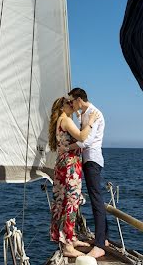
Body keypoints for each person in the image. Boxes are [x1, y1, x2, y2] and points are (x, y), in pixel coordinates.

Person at [49, 96, 100, 257]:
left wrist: (79, 114)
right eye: (68, 103)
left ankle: (70, 238)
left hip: (64, 164)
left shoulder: (63, 120)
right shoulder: (65, 120)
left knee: (65, 202)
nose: (72, 104)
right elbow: (82, 137)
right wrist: (90, 121)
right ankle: (67, 247)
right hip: (70, 166)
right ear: (62, 107)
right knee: (70, 203)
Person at [69, 87, 108, 259]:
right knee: (96, 199)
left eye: (72, 101)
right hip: (87, 160)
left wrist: (68, 147)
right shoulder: (84, 113)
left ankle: (99, 246)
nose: (71, 104)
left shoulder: (95, 114)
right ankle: (104, 239)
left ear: (79, 99)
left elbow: (88, 140)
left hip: (92, 160)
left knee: (96, 200)